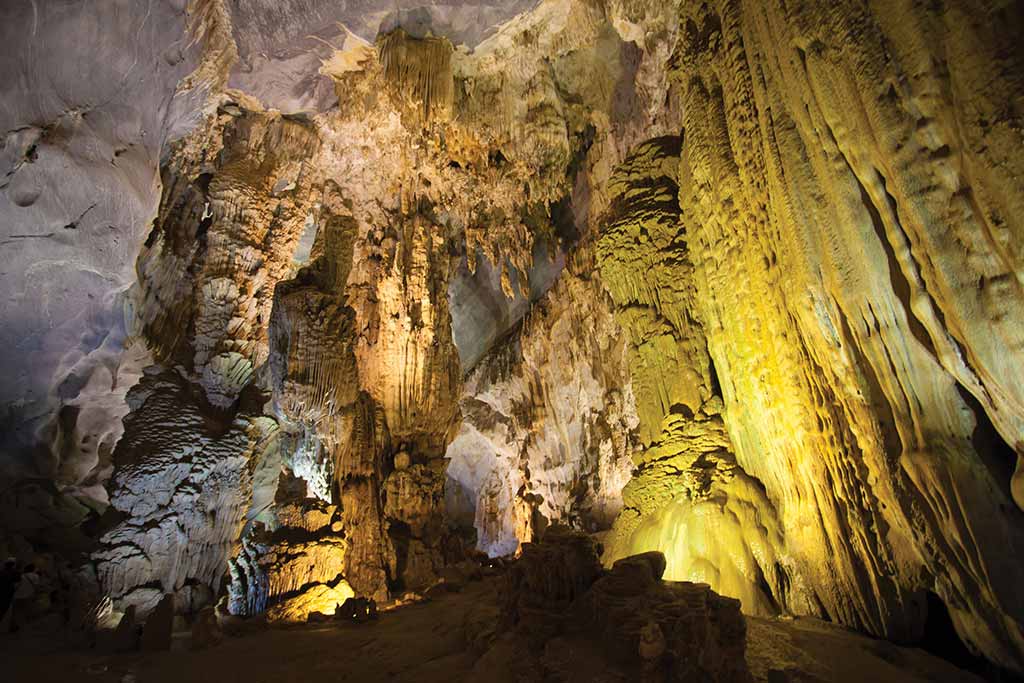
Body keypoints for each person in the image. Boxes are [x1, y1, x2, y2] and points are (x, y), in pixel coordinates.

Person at [10, 563, 39, 632]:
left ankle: (14, 626)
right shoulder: (36, 576)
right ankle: (22, 626)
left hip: (17, 596)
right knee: (25, 612)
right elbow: (36, 587)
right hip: (28, 596)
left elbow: (15, 586)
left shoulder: (21, 576)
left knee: (15, 612)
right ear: (33, 569)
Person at [0, 558, 19, 629]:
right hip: (9, 594)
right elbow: (17, 584)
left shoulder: (1, 572)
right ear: (13, 565)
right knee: (7, 609)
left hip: (2, 593)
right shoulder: (15, 572)